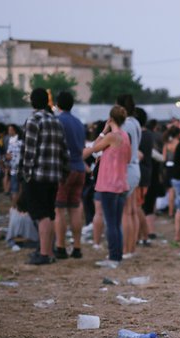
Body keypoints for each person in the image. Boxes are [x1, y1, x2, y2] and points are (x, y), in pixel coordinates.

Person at [19, 88, 69, 265]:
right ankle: (48, 251)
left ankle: (44, 253)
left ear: (33, 102)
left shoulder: (33, 120)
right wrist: (63, 173)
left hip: (37, 175)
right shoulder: (56, 122)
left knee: (41, 215)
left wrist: (25, 174)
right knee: (49, 213)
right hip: (54, 176)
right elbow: (64, 152)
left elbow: (28, 151)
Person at [82, 105, 130, 266]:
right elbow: (127, 158)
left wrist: (103, 131)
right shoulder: (125, 136)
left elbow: (92, 149)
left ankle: (113, 257)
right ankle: (117, 255)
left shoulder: (111, 136)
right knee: (116, 223)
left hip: (109, 184)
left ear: (111, 119)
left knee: (110, 223)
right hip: (122, 183)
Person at [54, 91, 86, 259]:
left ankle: (60, 246)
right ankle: (77, 247)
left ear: (58, 105)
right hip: (80, 167)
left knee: (59, 210)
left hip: (64, 169)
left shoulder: (58, 121)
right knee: (75, 208)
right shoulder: (79, 123)